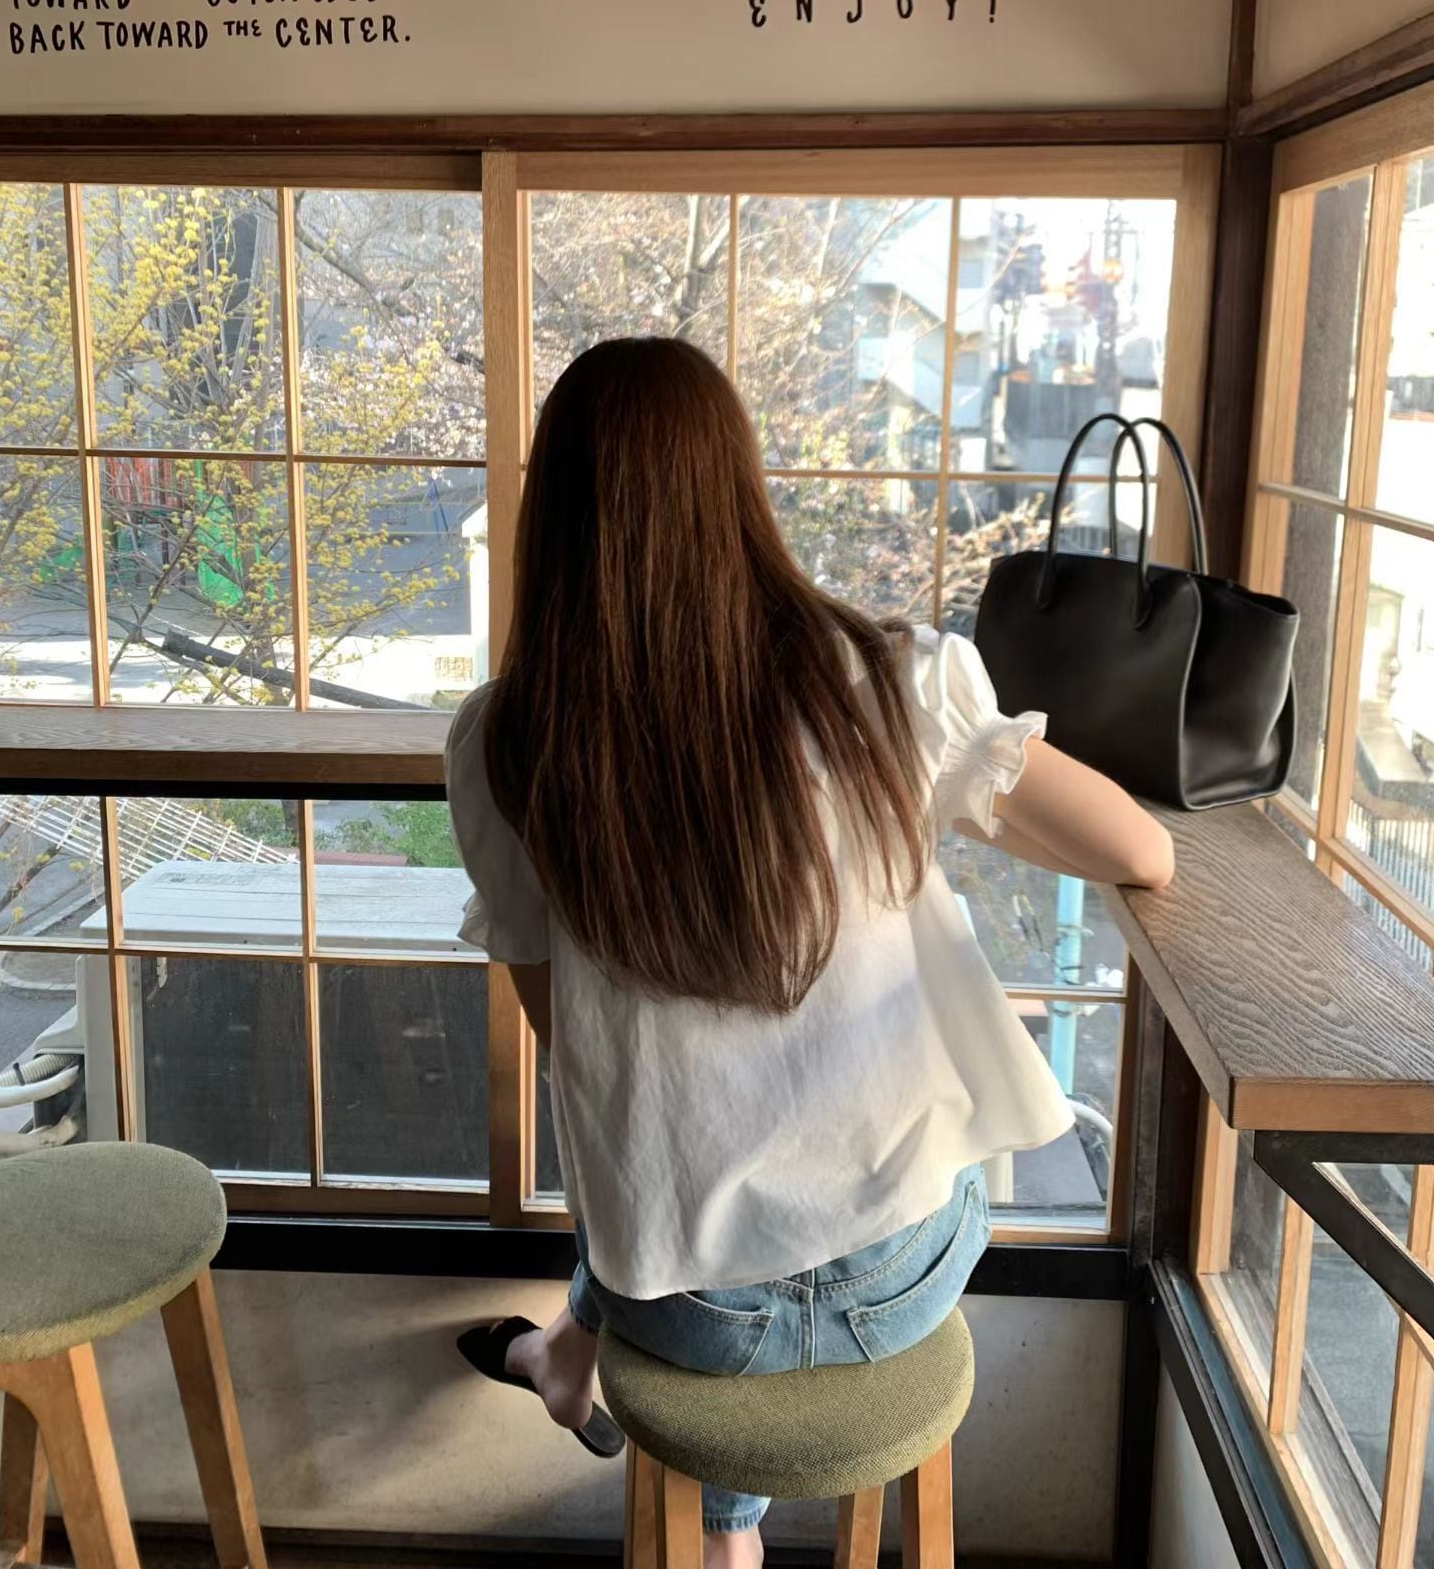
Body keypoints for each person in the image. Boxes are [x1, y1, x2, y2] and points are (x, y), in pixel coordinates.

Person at [448, 338, 1174, 1569]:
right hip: (906, 1271)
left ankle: (605, 1398)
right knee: (749, 1164)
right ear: (739, 486)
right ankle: (611, 1400)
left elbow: (579, 1061)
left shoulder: (507, 743)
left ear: (555, 513)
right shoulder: (885, 685)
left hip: (688, 1315)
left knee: (669, 1165)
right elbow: (1141, 852)